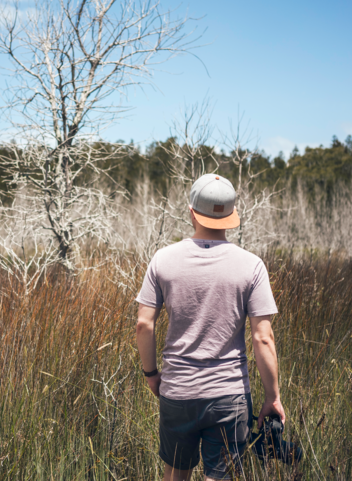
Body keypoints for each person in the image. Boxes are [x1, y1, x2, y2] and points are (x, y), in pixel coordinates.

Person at [135, 173, 286, 481]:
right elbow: (263, 338)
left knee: (175, 475)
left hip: (177, 392)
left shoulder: (163, 260)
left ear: (191, 211)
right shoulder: (251, 265)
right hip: (228, 396)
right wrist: (273, 397)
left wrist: (151, 375)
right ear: (231, 217)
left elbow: (143, 324)